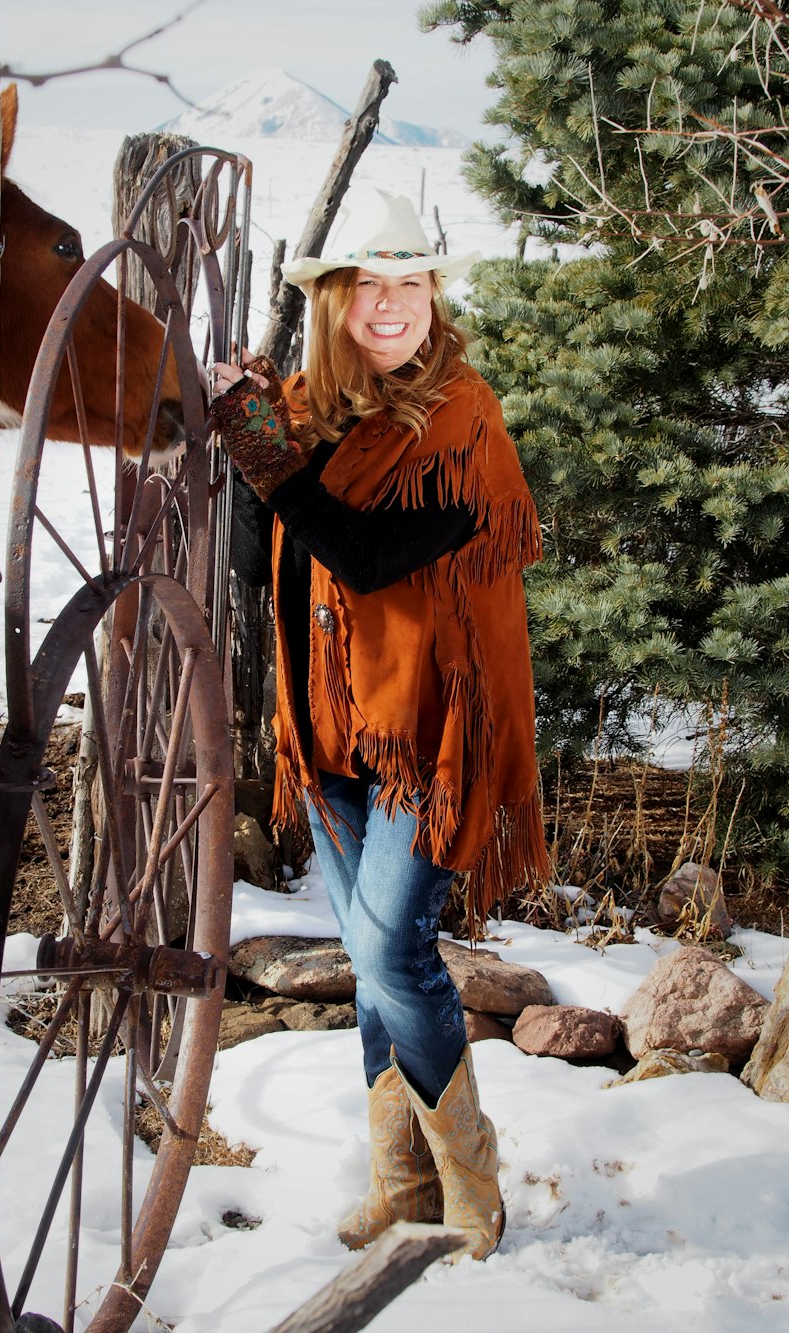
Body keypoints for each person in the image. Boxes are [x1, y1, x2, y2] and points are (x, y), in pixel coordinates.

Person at [211, 189, 549, 1262]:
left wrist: (268, 464)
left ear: (433, 292)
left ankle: (470, 1184)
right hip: (332, 726)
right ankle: (399, 1180)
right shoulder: (310, 406)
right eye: (370, 283)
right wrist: (259, 430)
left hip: (427, 735)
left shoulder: (464, 421)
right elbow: (299, 548)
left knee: (392, 949)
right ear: (335, 298)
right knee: (370, 957)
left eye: (411, 282)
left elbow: (363, 553)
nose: (391, 302)